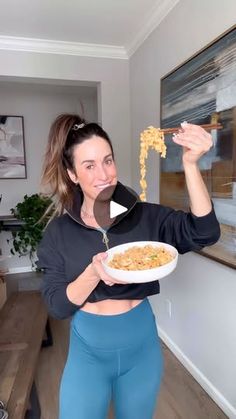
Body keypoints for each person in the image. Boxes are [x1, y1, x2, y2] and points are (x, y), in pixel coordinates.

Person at [37, 114, 220, 419]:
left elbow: (205, 232)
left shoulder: (144, 216)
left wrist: (191, 164)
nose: (104, 174)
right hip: (88, 351)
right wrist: (93, 272)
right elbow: (57, 305)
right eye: (89, 165)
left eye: (108, 161)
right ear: (72, 174)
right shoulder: (59, 233)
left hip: (142, 346)